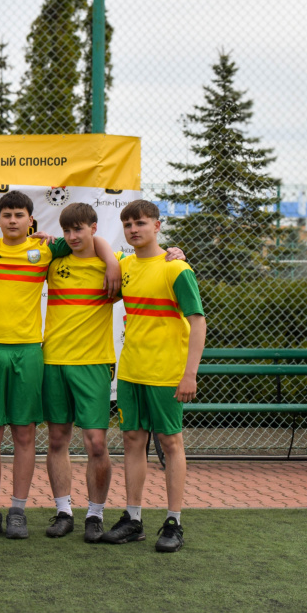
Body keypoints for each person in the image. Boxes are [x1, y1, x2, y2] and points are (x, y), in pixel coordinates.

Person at [0, 191, 119, 540]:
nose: (13, 220)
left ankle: (18, 511)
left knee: (25, 433)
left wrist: (113, 262)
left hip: (30, 352)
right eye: (7, 215)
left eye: (19, 215)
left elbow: (88, 236)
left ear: (31, 221)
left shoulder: (46, 250)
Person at [101, 199, 205, 553]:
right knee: (132, 440)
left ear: (157, 226)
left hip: (166, 373)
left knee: (171, 443)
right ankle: (133, 519)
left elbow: (198, 322)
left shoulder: (177, 268)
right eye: (128, 224)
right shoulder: (124, 265)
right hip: (131, 370)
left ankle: (174, 522)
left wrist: (189, 373)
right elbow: (91, 251)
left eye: (141, 223)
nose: (134, 229)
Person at [40, 202, 121, 542]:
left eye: (79, 229)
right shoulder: (53, 261)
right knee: (57, 439)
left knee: (96, 444)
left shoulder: (114, 265)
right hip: (54, 361)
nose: (73, 236)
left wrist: (175, 253)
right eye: (67, 230)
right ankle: (63, 512)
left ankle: (95, 515)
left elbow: (153, 263)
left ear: (94, 229)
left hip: (93, 363)